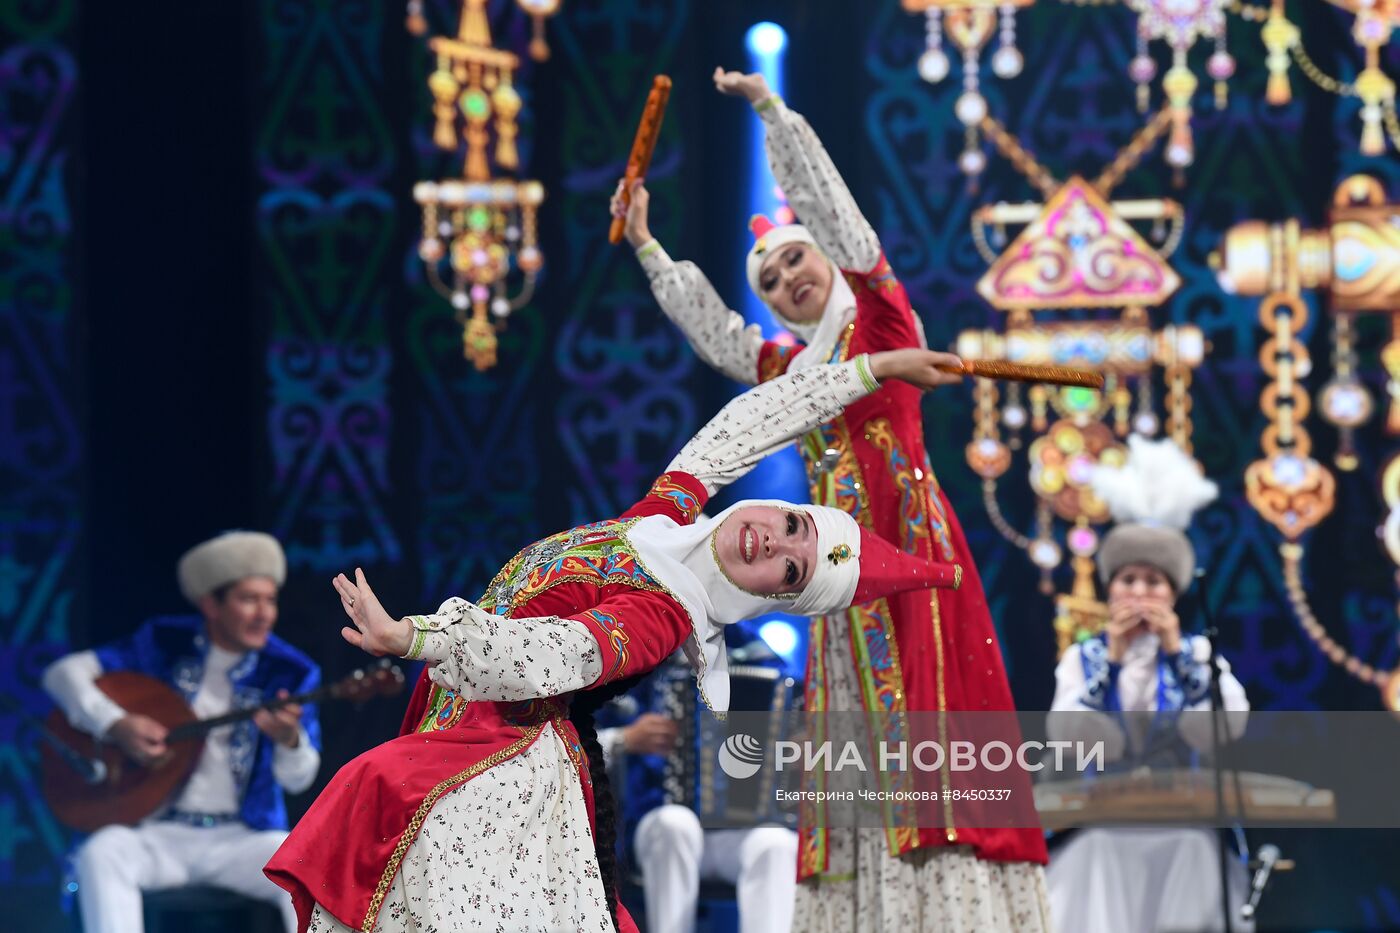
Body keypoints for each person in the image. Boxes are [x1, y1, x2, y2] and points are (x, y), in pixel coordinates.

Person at [264, 349, 969, 933]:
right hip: (458, 716)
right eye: (792, 522)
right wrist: (876, 368)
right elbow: (752, 421)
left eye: (790, 566)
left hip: (508, 756)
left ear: (774, 595)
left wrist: (413, 635)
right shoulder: (663, 518)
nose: (770, 540)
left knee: (390, 808)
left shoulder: (662, 614)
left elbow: (552, 652)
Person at [613, 66, 1049, 931]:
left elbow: (846, 225)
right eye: (770, 279)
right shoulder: (792, 368)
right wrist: (646, 245)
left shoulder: (882, 325)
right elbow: (718, 335)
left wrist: (776, 116)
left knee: (935, 728)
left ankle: (955, 911)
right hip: (832, 574)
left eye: (795, 258)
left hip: (912, 550)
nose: (785, 280)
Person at [42, 531, 321, 933]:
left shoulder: (291, 671)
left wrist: (289, 740)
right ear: (211, 604)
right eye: (248, 599)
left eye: (270, 600)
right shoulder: (162, 642)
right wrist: (114, 724)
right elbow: (61, 674)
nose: (264, 614)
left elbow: (299, 779)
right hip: (159, 831)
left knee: (309, 862)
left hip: (242, 838)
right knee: (101, 854)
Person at [1046, 435, 1252, 933]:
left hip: (1183, 821)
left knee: (1193, 851)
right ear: (1111, 587)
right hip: (1097, 824)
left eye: (1154, 581)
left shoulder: (1199, 653)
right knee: (1093, 857)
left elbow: (1221, 729)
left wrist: (1177, 652)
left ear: (1175, 593)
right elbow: (1070, 741)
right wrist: (1112, 663)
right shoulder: (1084, 656)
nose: (1140, 592)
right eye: (1129, 579)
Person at [596, 638, 798, 933]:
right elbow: (572, 742)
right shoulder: (641, 654)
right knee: (675, 824)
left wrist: (798, 746)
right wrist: (625, 738)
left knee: (778, 843)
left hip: (738, 834)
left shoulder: (758, 654)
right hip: (656, 824)